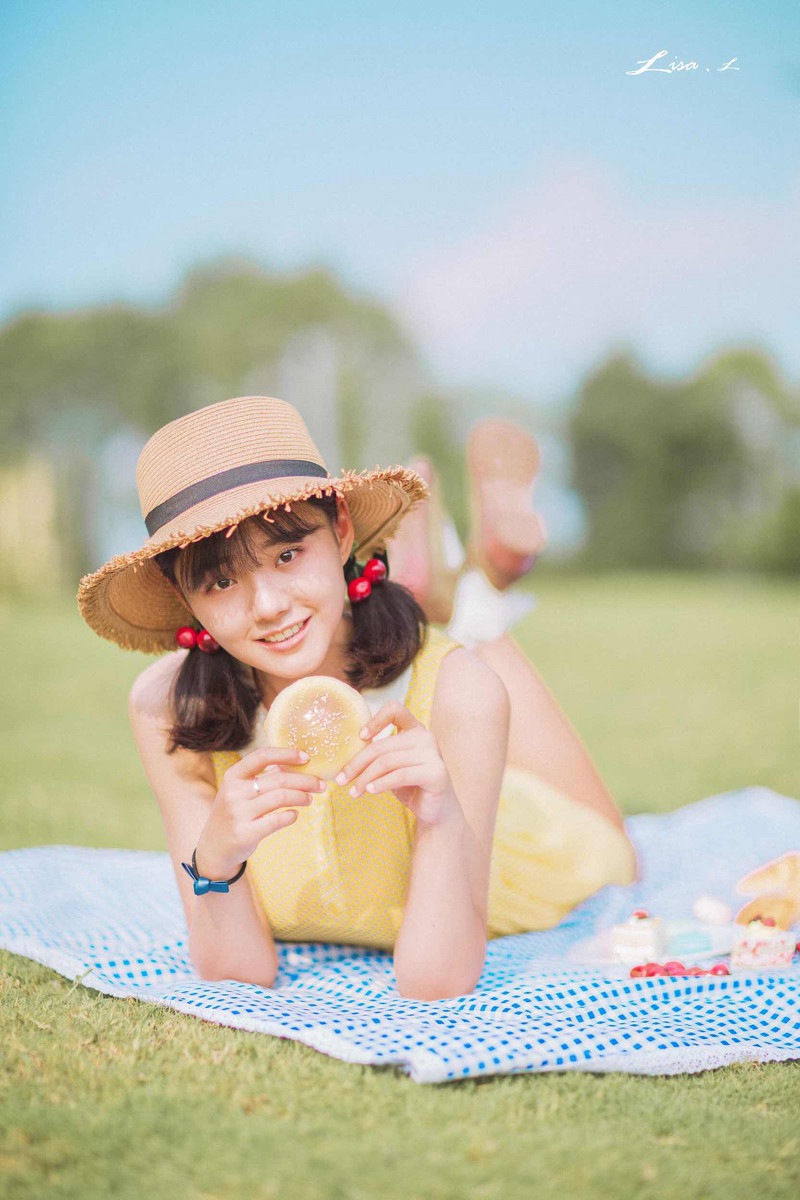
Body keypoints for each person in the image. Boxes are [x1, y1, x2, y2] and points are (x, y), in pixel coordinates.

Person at [77, 395, 636, 1001]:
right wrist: (212, 857)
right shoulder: (169, 708)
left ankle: (479, 598)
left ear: (341, 530)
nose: (267, 607)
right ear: (181, 593)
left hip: (519, 849)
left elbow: (434, 981)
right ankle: (456, 583)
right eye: (220, 581)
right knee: (461, 667)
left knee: (617, 849)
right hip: (404, 674)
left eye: (288, 554)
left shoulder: (456, 690)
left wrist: (441, 817)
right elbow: (237, 971)